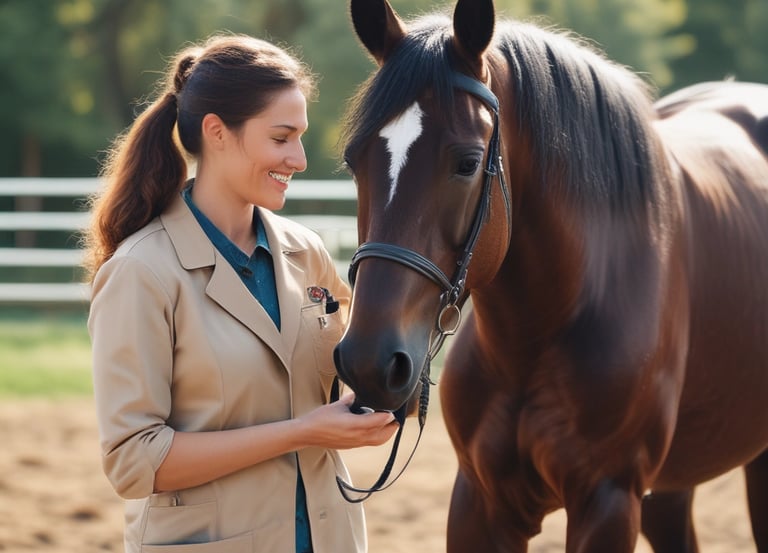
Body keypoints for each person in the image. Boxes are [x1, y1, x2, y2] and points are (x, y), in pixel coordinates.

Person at [84, 34, 398, 553]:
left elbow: (358, 368)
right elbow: (133, 462)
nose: (298, 158)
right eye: (281, 138)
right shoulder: (141, 272)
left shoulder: (307, 251)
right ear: (217, 132)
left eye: (301, 137)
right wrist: (303, 431)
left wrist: (394, 384)